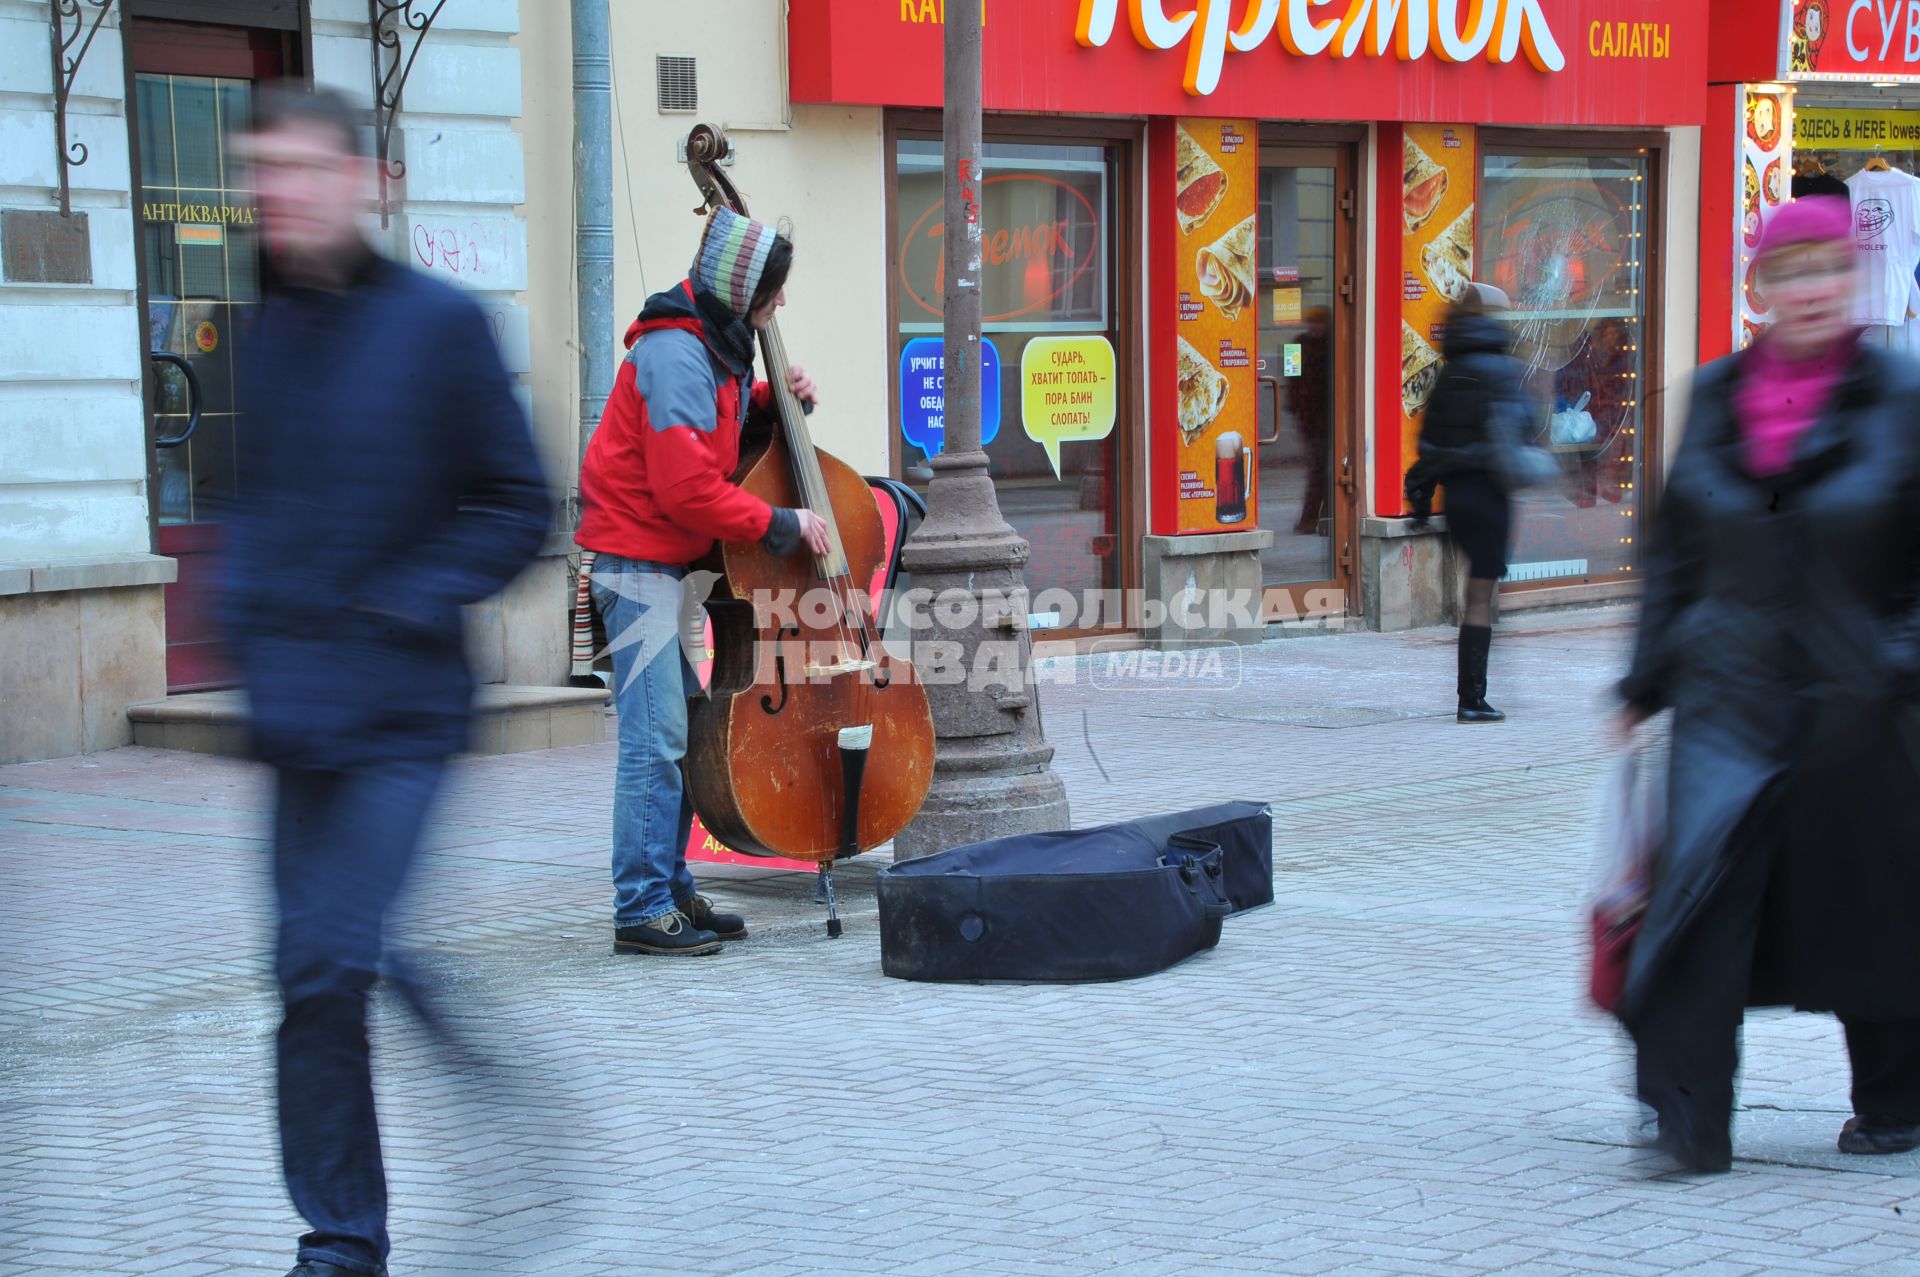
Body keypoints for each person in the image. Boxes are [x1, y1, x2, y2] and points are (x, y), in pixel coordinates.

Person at [221, 85, 549, 1276]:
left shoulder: (441, 324)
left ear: (369, 184)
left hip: (405, 709)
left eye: (305, 170)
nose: (282, 195)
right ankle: (340, 1238)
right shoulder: (263, 332)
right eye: (265, 174)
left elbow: (520, 504)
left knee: (339, 949)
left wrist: (415, 591)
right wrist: (243, 616)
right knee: (308, 982)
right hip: (296, 711)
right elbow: (258, 507)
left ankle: (461, 1055)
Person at [1616, 195, 1920, 1174]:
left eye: (1830, 269)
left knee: (1869, 906)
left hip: (1859, 704)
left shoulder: (1901, 396)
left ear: (1856, 279)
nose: (1812, 290)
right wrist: (1643, 677)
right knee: (1699, 905)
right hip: (1728, 696)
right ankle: (1689, 1121)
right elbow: (1673, 552)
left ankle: (1897, 1100)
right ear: (1758, 289)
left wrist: (1895, 661)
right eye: (1790, 273)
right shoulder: (1714, 394)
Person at [576, 206, 830, 957]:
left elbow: (712, 428)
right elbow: (687, 487)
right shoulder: (677, 355)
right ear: (740, 288)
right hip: (633, 563)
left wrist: (775, 401)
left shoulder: (713, 346)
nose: (778, 305)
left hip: (656, 562)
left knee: (678, 728)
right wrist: (783, 525)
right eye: (771, 292)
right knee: (654, 739)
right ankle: (641, 907)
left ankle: (670, 887)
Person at [1404, 283, 1528, 723]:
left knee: (1474, 593)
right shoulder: (1504, 370)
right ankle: (1472, 699)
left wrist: (1419, 498)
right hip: (1491, 493)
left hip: (1457, 496)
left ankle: (1471, 696)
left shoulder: (1448, 373)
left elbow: (1428, 444)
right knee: (1481, 597)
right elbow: (1523, 430)